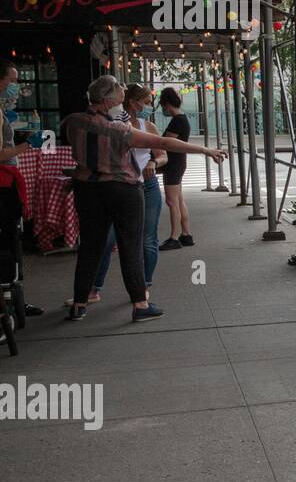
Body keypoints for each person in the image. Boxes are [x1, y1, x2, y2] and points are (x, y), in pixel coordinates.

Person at [64, 75, 225, 322]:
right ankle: (140, 304)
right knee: (131, 245)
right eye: (118, 88)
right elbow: (162, 142)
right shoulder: (119, 130)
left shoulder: (73, 122)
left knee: (90, 246)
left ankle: (79, 304)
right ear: (107, 99)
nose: (123, 90)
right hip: (122, 190)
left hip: (86, 190)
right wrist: (205, 150)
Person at [79, 85, 166, 305]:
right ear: (130, 101)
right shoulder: (113, 125)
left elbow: (163, 153)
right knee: (106, 240)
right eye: (145, 102)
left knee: (147, 239)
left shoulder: (149, 126)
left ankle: (143, 287)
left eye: (149, 102)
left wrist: (154, 163)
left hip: (146, 186)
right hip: (121, 186)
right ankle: (93, 289)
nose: (147, 106)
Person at [0, 60, 47, 317]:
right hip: (3, 184)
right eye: (12, 81)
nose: (15, 87)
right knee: (9, 242)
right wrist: (28, 144)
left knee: (11, 241)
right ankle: (9, 297)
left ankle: (11, 295)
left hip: (6, 181)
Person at [158, 87, 193, 250]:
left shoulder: (177, 121)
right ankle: (186, 234)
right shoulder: (182, 118)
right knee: (178, 200)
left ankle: (174, 237)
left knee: (172, 201)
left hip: (173, 164)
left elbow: (165, 143)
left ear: (166, 104)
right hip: (178, 163)